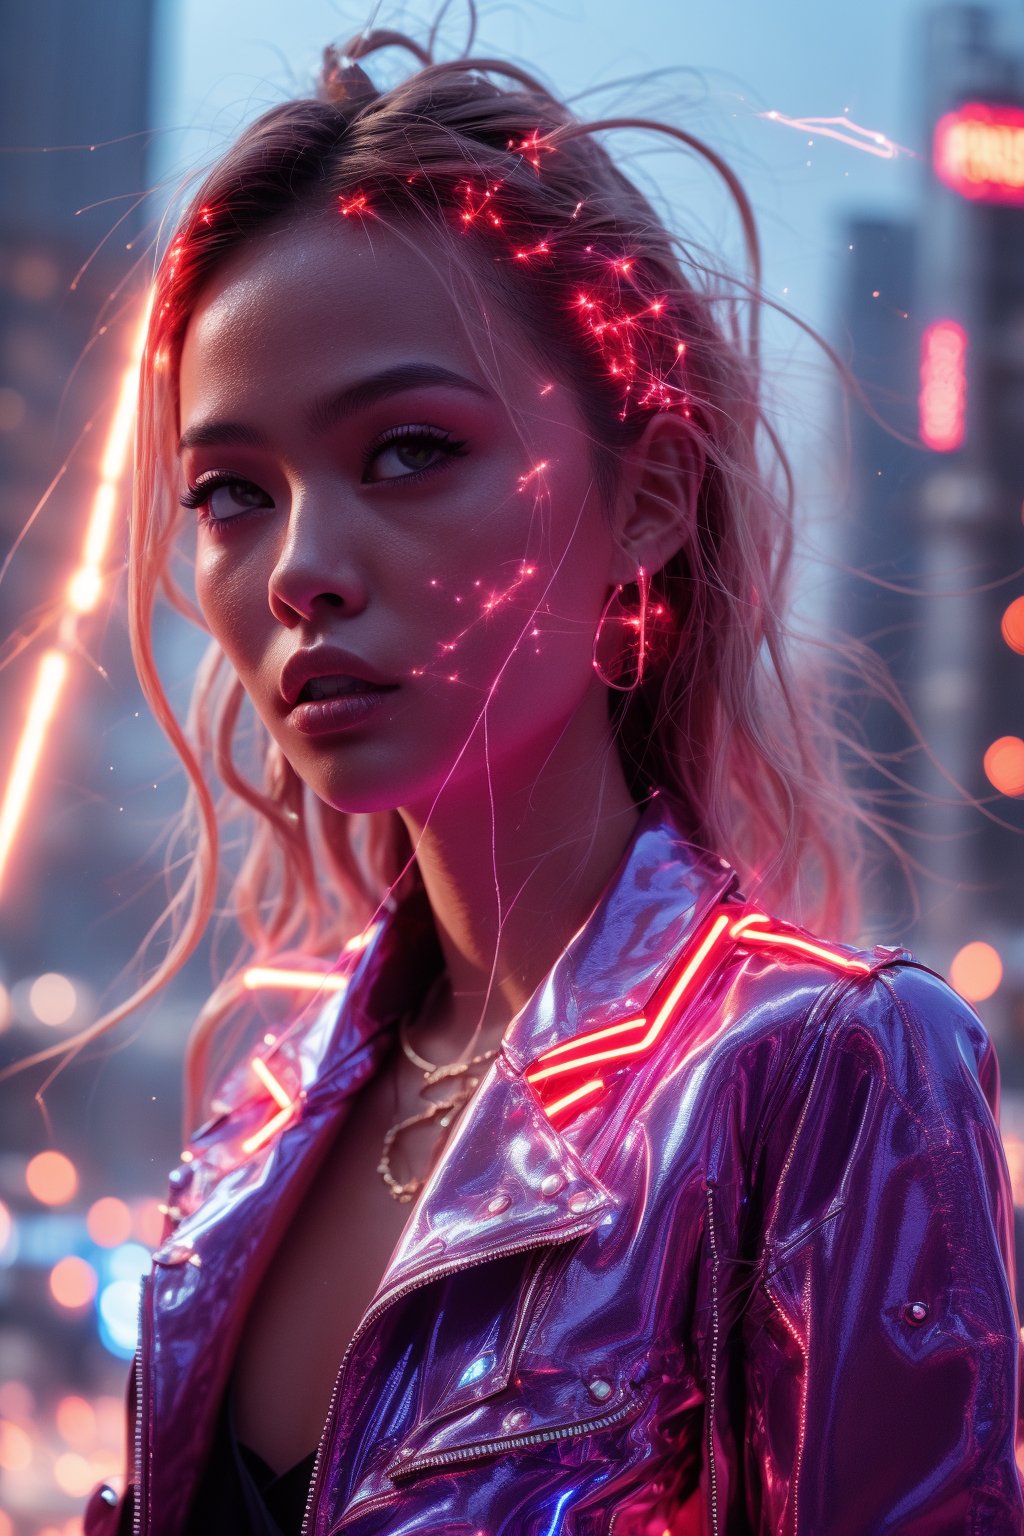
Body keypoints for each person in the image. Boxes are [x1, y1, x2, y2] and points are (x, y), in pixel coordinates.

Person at [30, 7, 1015, 1533]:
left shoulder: (818, 1074)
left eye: (410, 449)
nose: (301, 571)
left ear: (650, 500)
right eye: (232, 491)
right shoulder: (260, 1095)